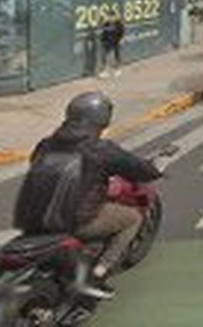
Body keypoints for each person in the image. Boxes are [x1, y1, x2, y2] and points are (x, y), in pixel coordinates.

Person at [13, 92, 162, 300]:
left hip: (32, 219)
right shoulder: (100, 149)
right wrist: (154, 170)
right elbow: (136, 168)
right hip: (74, 221)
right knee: (132, 218)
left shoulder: (45, 144)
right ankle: (100, 272)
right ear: (102, 119)